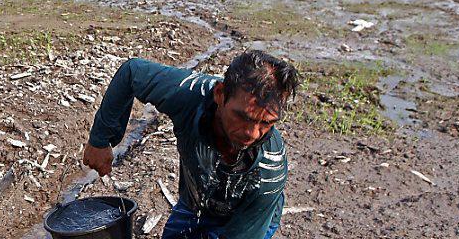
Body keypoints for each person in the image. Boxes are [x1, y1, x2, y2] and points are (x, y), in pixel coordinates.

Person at [82, 50, 299, 239]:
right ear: (220, 94)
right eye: (242, 117)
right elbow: (132, 72)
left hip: (247, 217)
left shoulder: (269, 170)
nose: (251, 133)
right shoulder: (189, 94)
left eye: (266, 123)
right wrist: (101, 140)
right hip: (196, 200)